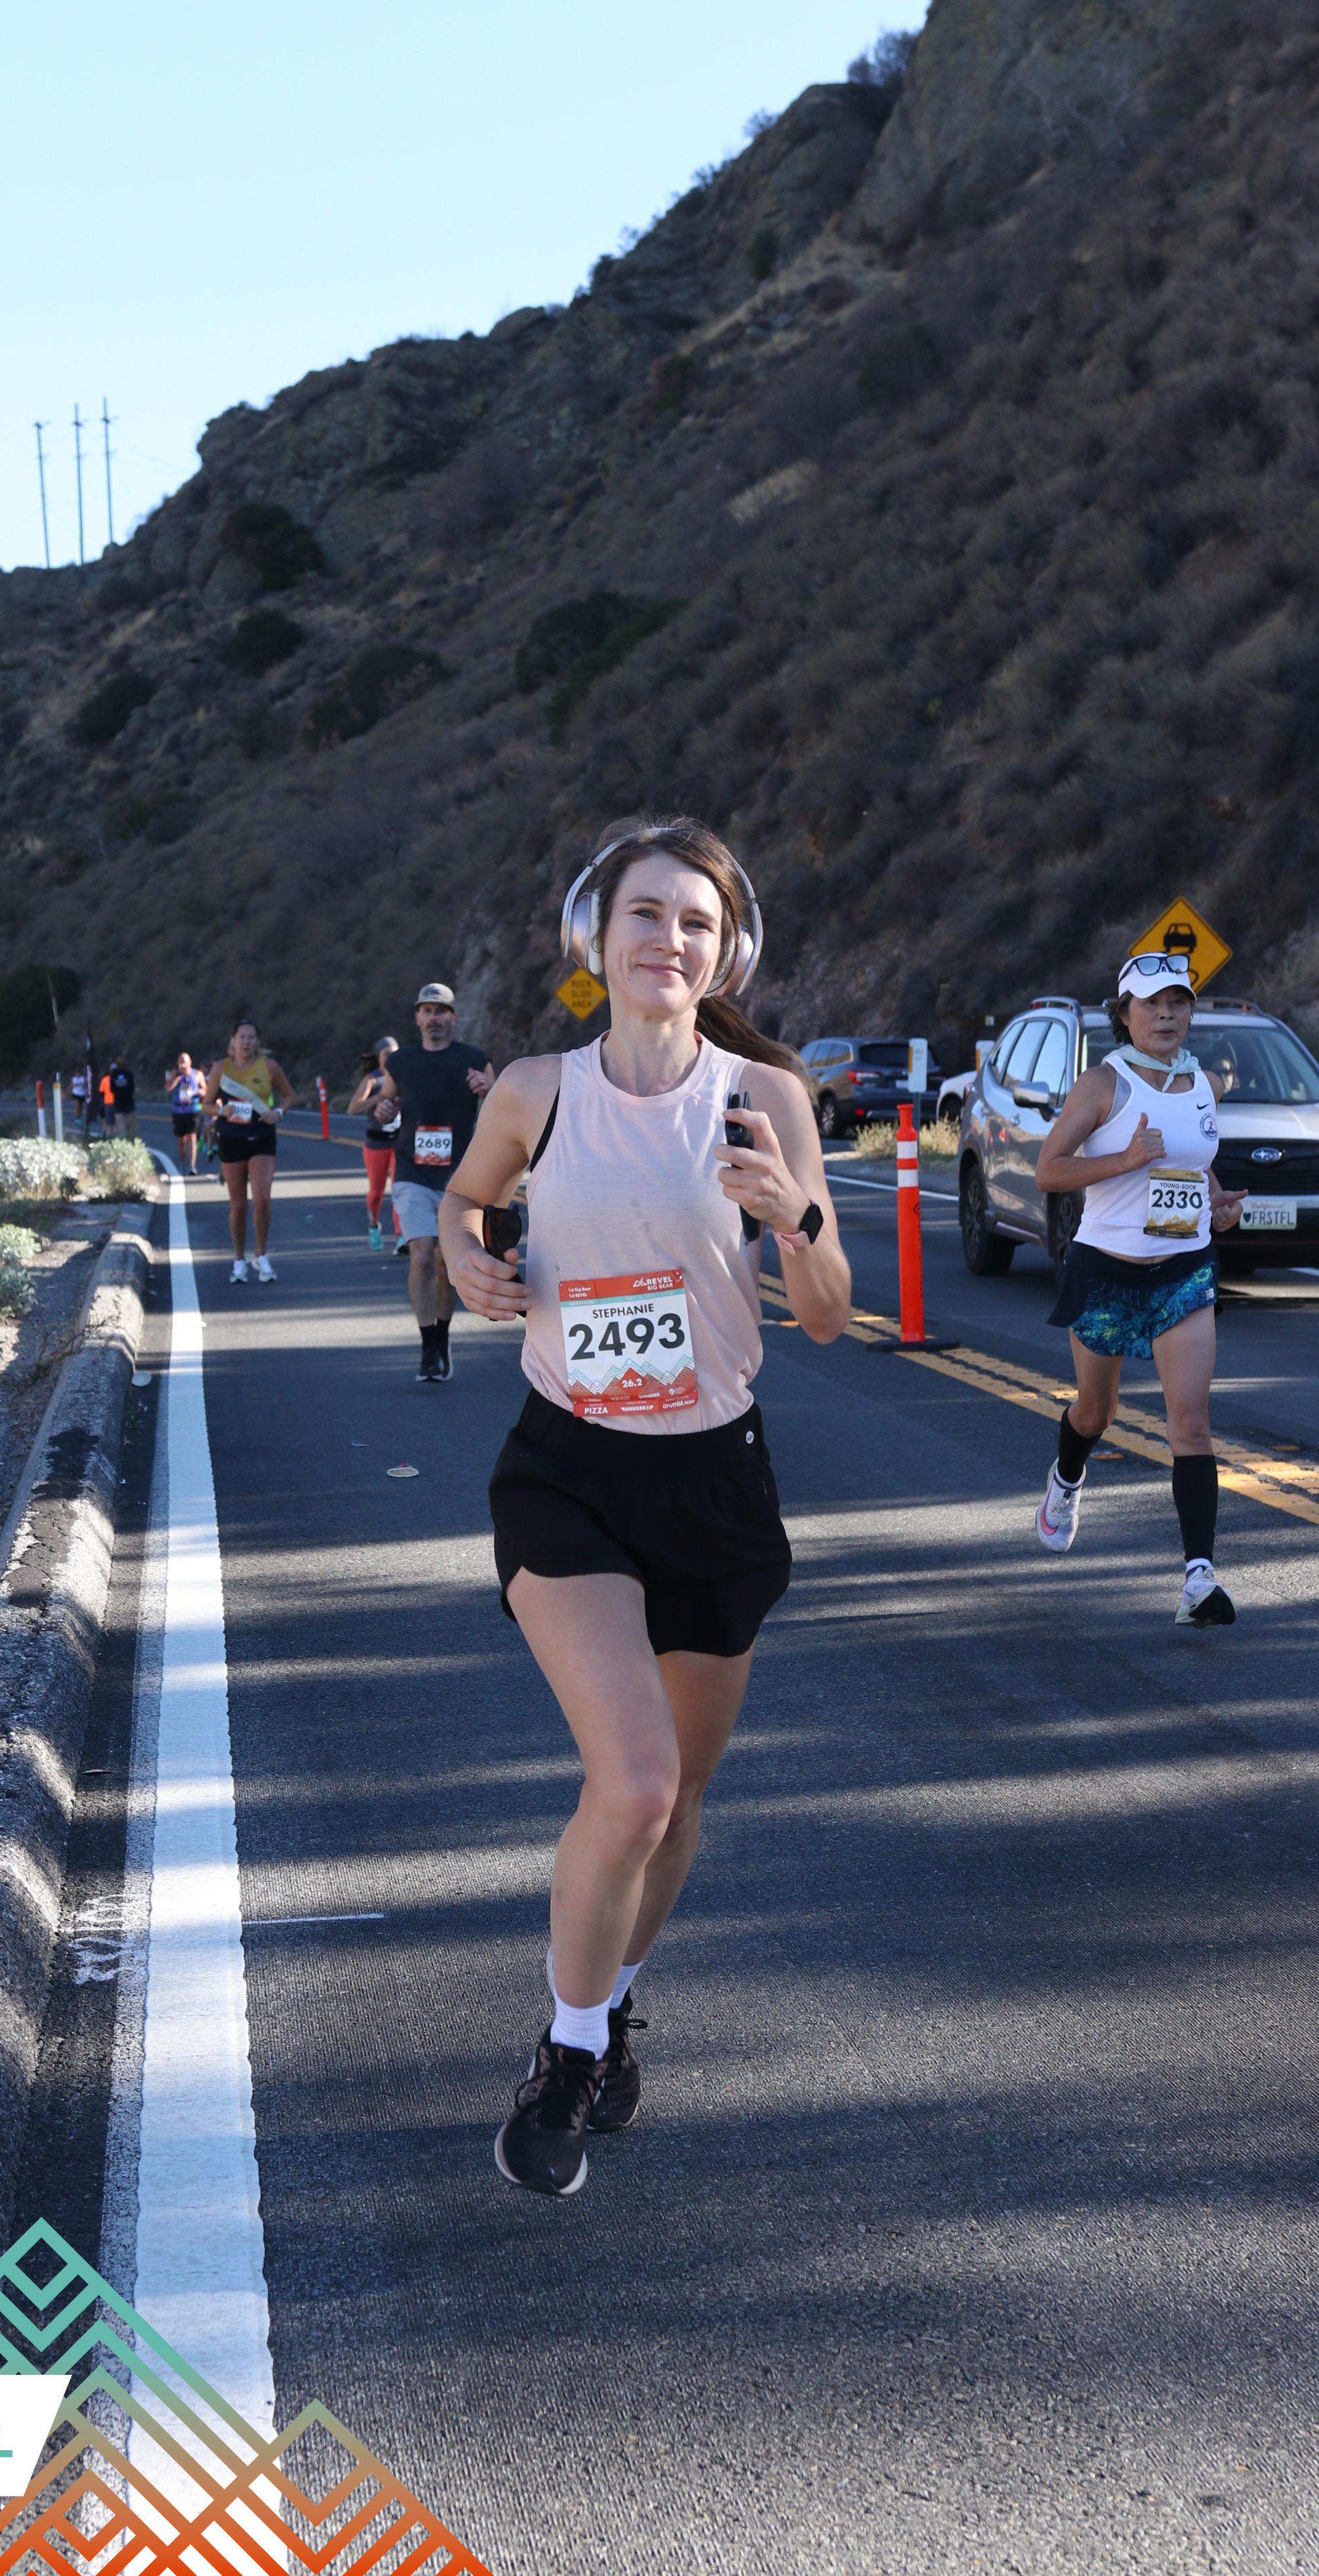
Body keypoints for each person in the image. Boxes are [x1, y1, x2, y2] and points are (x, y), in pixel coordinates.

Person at [440, 818, 850, 2196]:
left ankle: (608, 2001)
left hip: (714, 1481)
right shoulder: (534, 1091)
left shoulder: (762, 1096)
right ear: (595, 935)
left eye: (693, 921)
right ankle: (565, 2055)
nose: (666, 938)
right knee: (633, 1782)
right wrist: (467, 1258)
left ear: (722, 952)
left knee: (676, 1809)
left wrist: (793, 1212)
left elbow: (828, 1313)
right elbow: (464, 1203)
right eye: (644, 913)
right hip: (568, 1468)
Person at [1032, 951, 1247, 1623]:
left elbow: (1192, 1165)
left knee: (1191, 1423)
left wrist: (1216, 1203)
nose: (1165, 1015)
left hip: (1183, 1270)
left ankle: (1198, 1580)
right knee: (1096, 1413)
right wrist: (1123, 1160)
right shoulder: (1103, 1084)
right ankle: (1067, 1477)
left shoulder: (1204, 1085)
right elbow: (1048, 1171)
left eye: (1178, 1003)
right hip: (1106, 1271)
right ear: (1124, 1014)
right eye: (1151, 1004)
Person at [378, 986, 494, 1380]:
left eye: (441, 1011)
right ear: (417, 1018)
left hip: (459, 1178)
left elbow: (503, 1106)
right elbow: (385, 1105)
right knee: (423, 1257)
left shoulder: (474, 1060)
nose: (433, 1018)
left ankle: (442, 1336)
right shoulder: (401, 1062)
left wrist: (487, 1091)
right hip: (412, 1173)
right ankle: (428, 1345)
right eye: (427, 1011)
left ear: (453, 1018)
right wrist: (383, 1109)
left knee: (447, 1265)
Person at [214, 1020, 295, 1282]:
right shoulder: (221, 1068)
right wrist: (221, 1110)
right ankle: (239, 1260)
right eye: (242, 1037)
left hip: (262, 1137)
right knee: (238, 1206)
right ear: (233, 1040)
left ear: (258, 1042)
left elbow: (289, 1095)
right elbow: (205, 1104)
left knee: (262, 1200)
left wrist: (279, 1112)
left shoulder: (269, 1067)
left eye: (251, 1038)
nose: (246, 1042)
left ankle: (260, 1255)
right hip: (231, 1138)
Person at [347, 1037, 401, 1247]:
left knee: (400, 1190)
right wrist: (377, 1099)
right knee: (376, 1193)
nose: (392, 1057)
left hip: (399, 1143)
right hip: (376, 1144)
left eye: (395, 1053)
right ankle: (373, 1225)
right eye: (387, 1054)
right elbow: (353, 1109)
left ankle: (401, 1236)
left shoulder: (405, 1077)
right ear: (379, 1058)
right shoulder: (372, 1080)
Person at [167, 1052, 204, 1175]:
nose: (182, 1065)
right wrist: (176, 1079)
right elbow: (168, 1088)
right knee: (181, 1140)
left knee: (192, 1137)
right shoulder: (174, 1073)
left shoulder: (198, 1074)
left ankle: (192, 1166)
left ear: (190, 1063)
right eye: (180, 1062)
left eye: (184, 1062)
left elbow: (206, 1090)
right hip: (179, 1111)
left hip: (193, 1110)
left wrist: (198, 1091)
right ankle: (183, 1163)